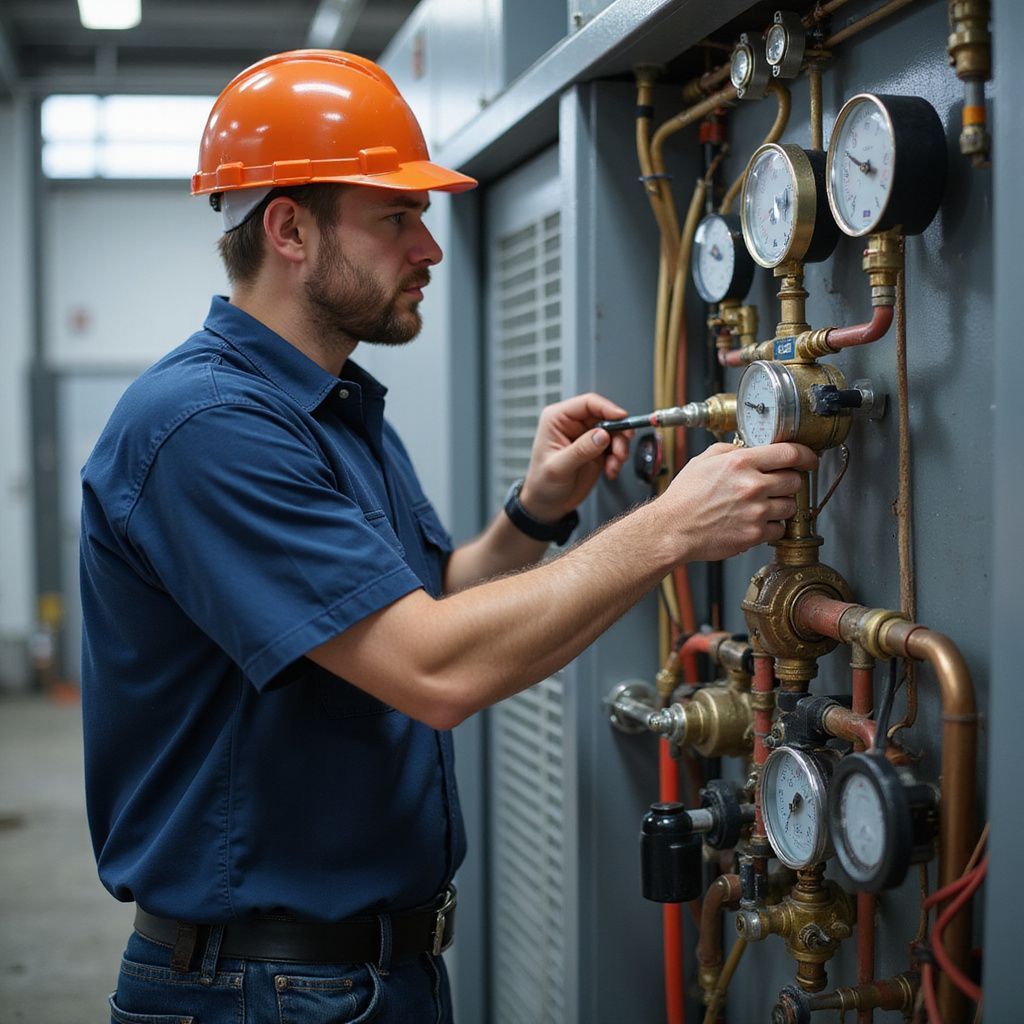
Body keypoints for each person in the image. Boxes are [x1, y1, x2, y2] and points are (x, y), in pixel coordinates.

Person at [80, 50, 816, 1024]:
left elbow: (430, 600)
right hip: (258, 990)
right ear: (288, 228)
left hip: (361, 975)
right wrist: (672, 526)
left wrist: (534, 512)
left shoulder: (329, 406)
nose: (428, 248)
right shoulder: (206, 428)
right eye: (396, 218)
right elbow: (434, 671)